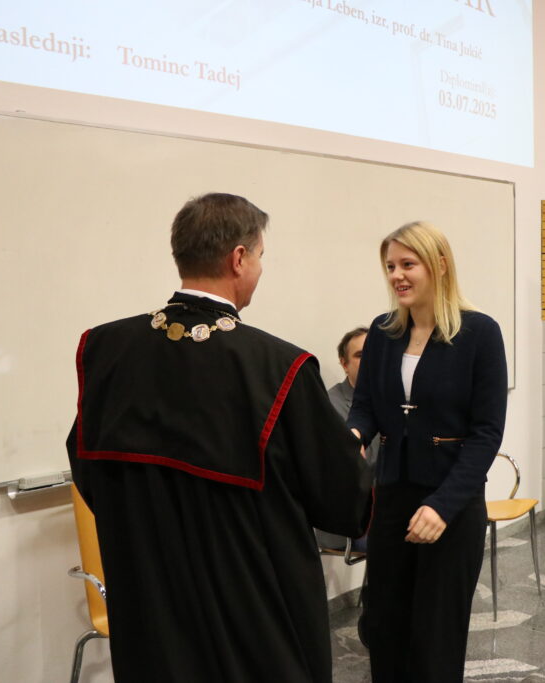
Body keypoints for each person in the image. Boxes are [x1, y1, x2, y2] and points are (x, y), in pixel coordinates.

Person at [66, 192, 373, 683]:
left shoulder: (108, 349)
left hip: (150, 601)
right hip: (251, 612)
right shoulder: (278, 367)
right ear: (239, 258)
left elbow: (87, 467)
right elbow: (341, 498)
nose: (260, 269)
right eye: (261, 256)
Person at [347, 221, 508, 682]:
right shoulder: (383, 332)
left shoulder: (480, 333)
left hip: (450, 503)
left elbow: (486, 433)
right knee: (384, 627)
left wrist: (442, 506)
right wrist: (353, 436)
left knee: (436, 637)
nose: (397, 275)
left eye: (407, 264)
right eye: (390, 266)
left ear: (439, 265)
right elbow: (365, 406)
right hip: (393, 497)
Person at [316, 325, 379, 552]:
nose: (370, 360)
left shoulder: (390, 399)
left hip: (386, 510)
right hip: (352, 521)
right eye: (360, 355)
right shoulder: (331, 405)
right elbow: (358, 468)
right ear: (344, 364)